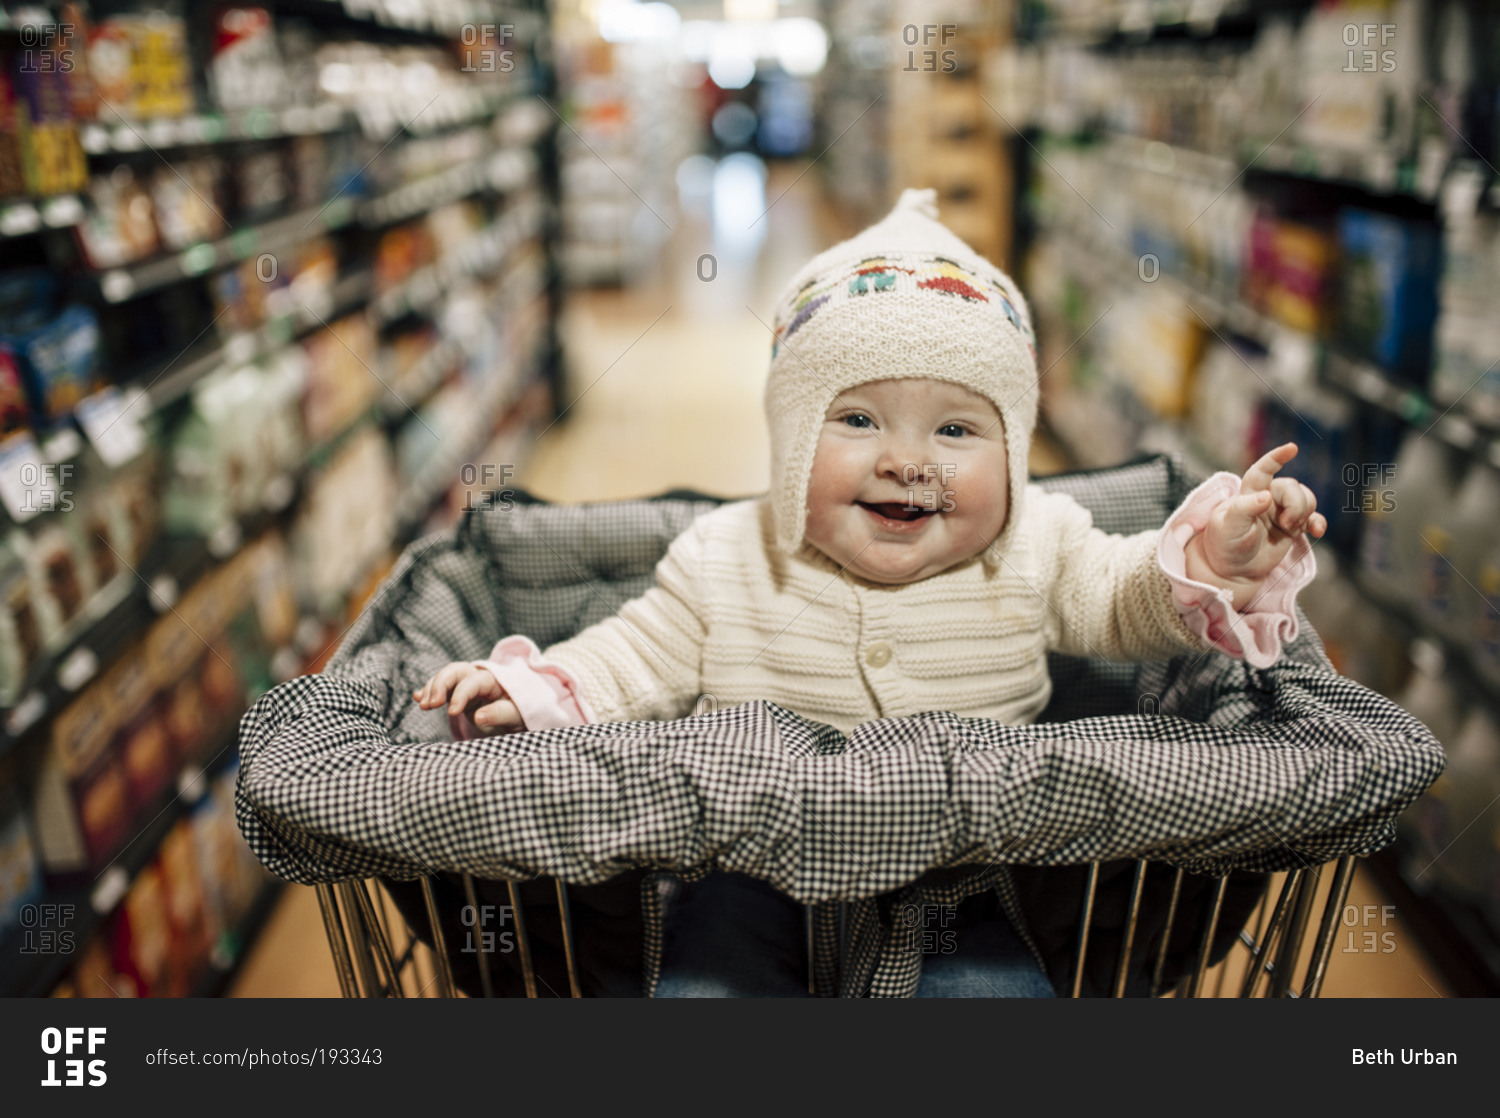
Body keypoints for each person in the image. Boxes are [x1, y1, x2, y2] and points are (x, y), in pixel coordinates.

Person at [412, 188, 1325, 996]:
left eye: (959, 428)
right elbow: (631, 656)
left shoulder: (1036, 540)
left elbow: (1126, 598)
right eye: (856, 419)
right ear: (791, 438)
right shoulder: (725, 556)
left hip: (963, 876)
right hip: (749, 874)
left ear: (1014, 455)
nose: (906, 460)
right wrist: (530, 692)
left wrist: (1214, 558)